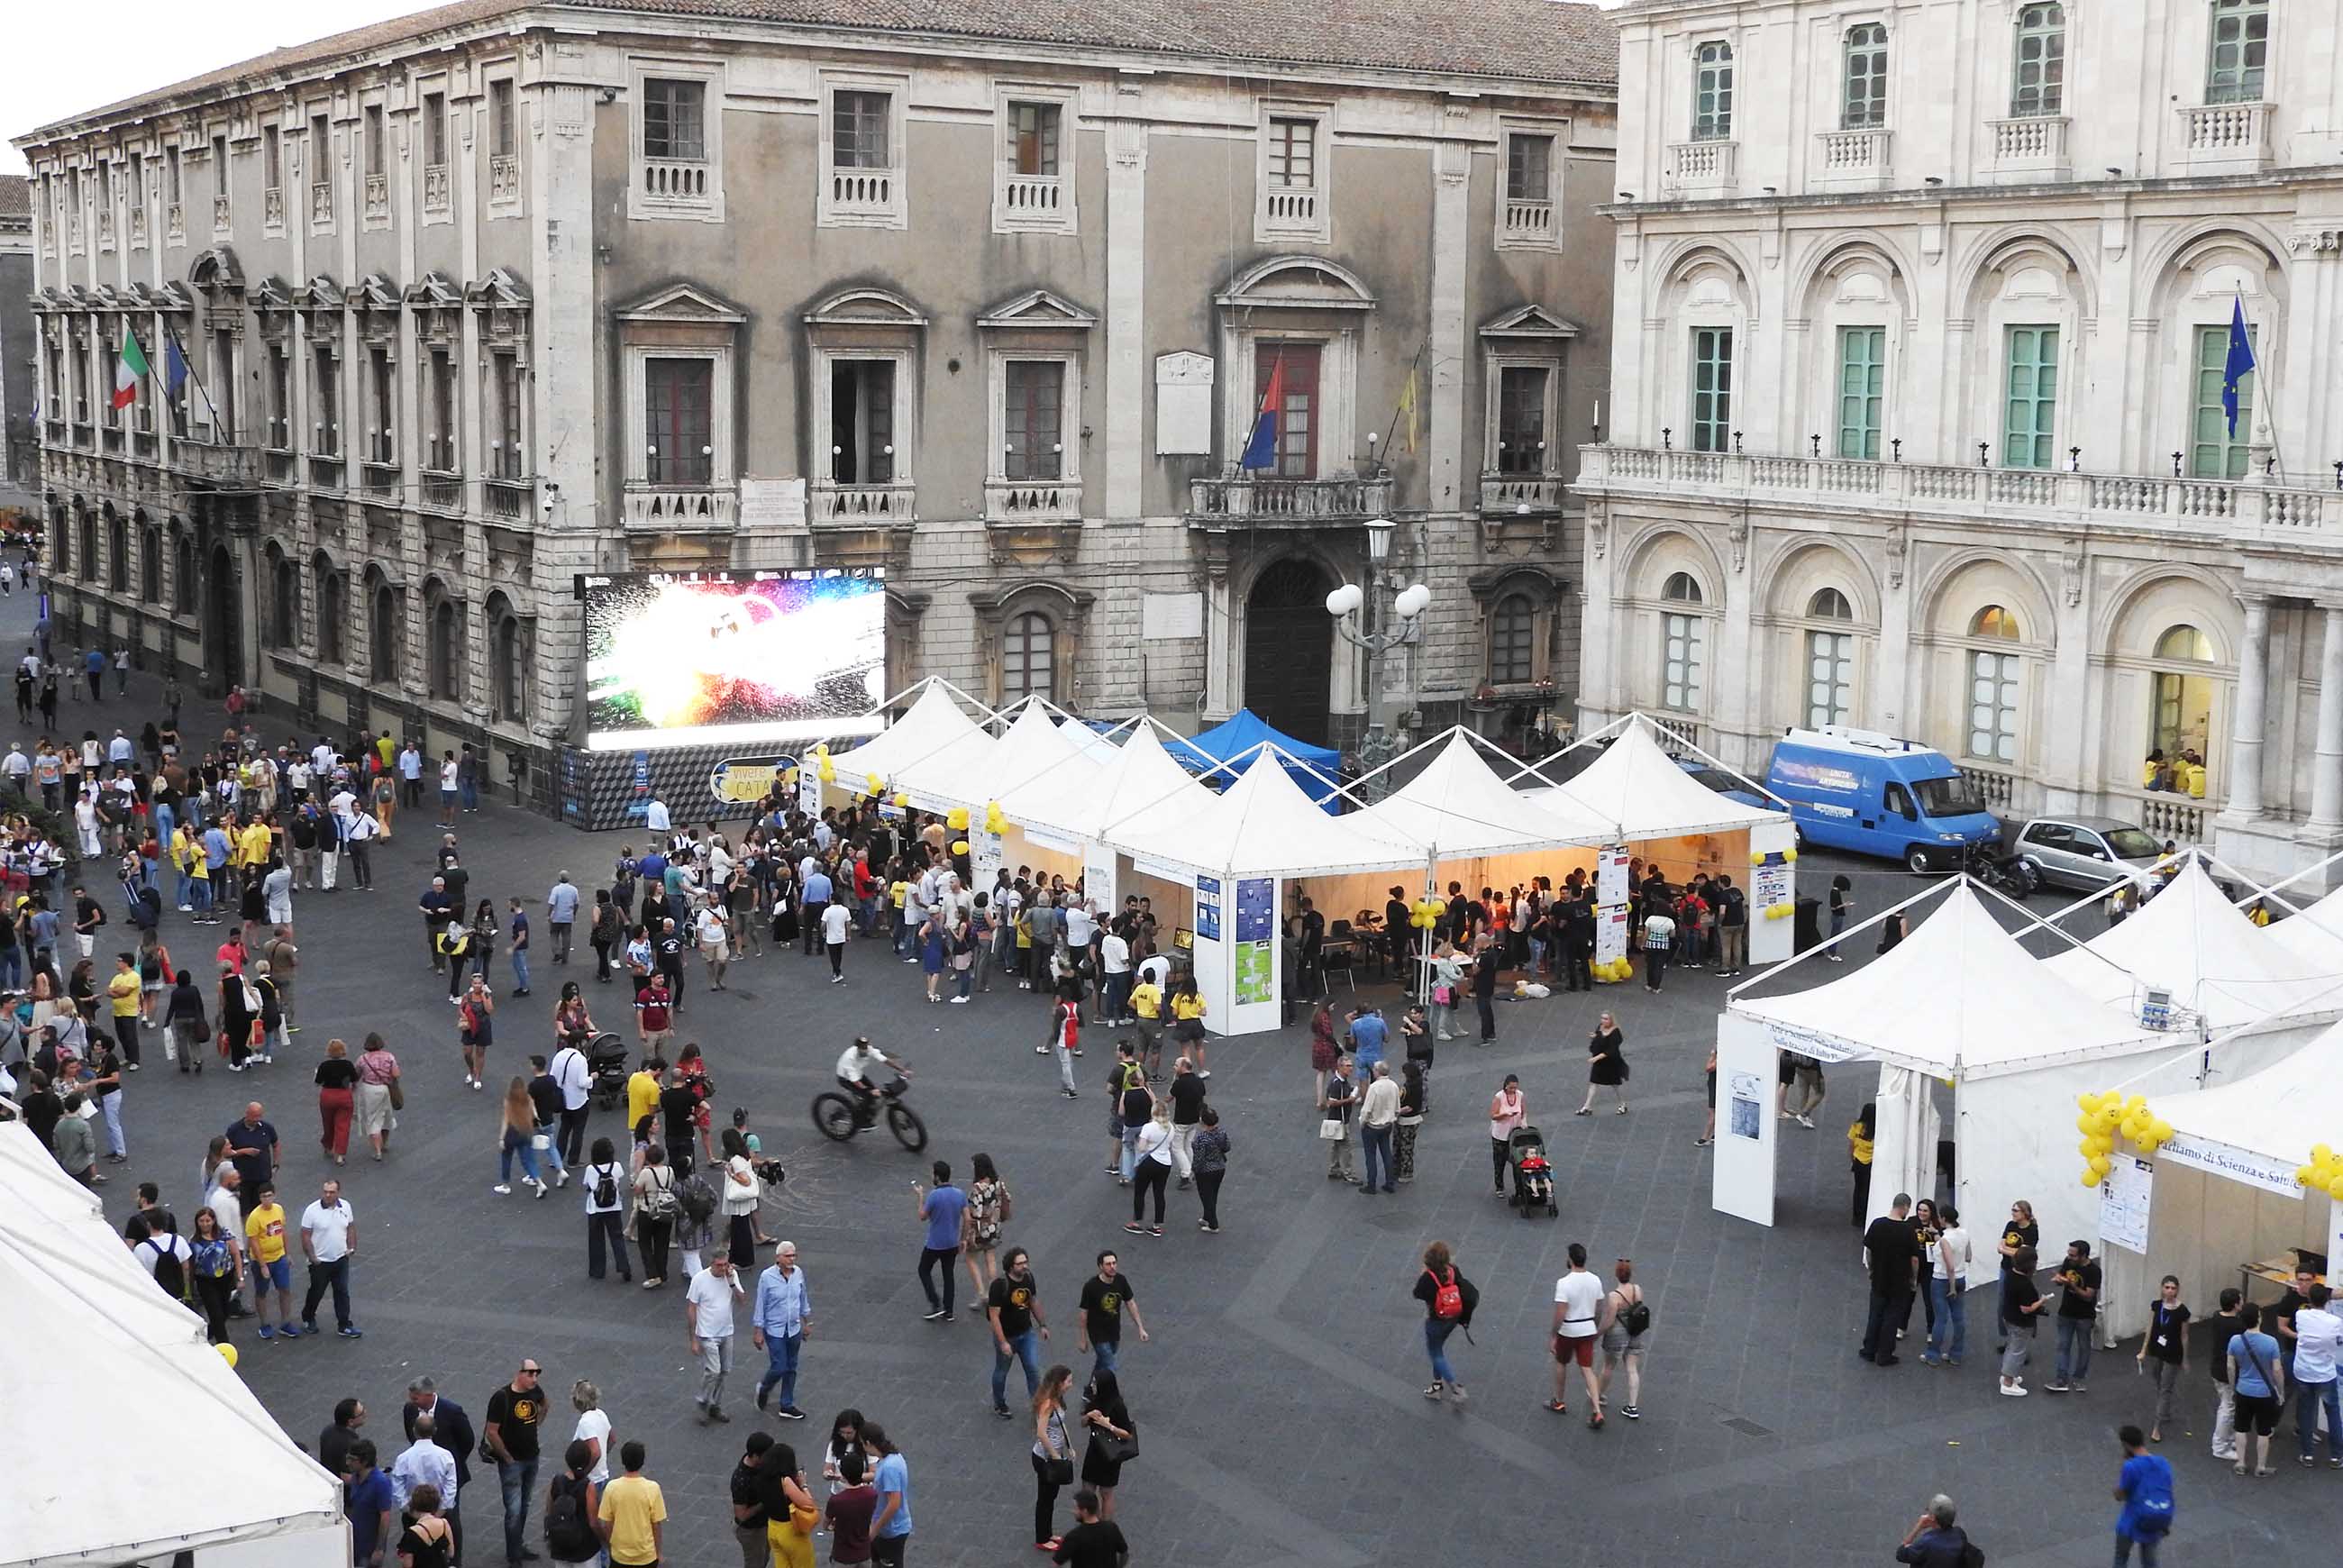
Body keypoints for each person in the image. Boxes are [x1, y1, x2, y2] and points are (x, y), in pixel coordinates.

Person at [485, 1359, 548, 1567]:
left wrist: (535, 1424)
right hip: (512, 1462)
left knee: (525, 1504)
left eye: (536, 1374)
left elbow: (545, 1404)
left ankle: (518, 1545)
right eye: (530, 1374)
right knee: (513, 1509)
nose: (534, 1378)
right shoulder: (502, 1397)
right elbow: (491, 1432)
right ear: (519, 1373)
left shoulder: (534, 1391)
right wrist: (507, 1457)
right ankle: (514, 1555)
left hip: (532, 1457)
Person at [752, 1241, 813, 1421]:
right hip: (775, 1329)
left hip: (793, 1328)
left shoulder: (798, 1273)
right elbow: (760, 1304)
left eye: (794, 1255)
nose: (792, 1259)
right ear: (778, 1258)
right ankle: (764, 1387)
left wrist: (807, 1322)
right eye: (788, 1256)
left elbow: (803, 1298)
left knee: (791, 1367)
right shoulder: (767, 1277)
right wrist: (758, 1330)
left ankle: (786, 1404)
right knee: (779, 1366)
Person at [1412, 1239, 1478, 1404]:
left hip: (1436, 1320)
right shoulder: (1453, 1270)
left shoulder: (1428, 1277)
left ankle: (1456, 1387)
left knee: (1435, 1354)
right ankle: (1436, 1385)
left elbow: (1417, 1294)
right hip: (1453, 1317)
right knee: (1438, 1349)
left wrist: (1423, 1275)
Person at [989, 1245, 1050, 1418]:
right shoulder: (999, 1286)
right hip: (1007, 1336)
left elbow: (1033, 1302)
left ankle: (1037, 1406)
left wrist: (1043, 1325)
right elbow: (994, 1317)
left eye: (1025, 1262)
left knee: (1033, 1369)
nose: (1024, 1266)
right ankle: (999, 1404)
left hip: (1026, 1333)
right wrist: (1003, 1342)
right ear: (1010, 1266)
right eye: (1020, 1263)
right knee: (1001, 1371)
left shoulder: (1028, 1278)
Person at [1550, 1241, 1608, 1425]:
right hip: (1587, 1329)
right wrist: (1595, 1327)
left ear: (1570, 1260)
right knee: (1587, 1368)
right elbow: (1600, 1307)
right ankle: (1597, 1410)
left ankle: (1559, 1401)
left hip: (1568, 1330)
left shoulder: (1564, 1283)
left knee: (1561, 1363)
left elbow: (1561, 1311)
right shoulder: (1595, 1280)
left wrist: (1553, 1334)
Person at [1860, 1192, 1920, 1367]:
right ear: (1905, 1207)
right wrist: (1913, 1279)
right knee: (1891, 1317)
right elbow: (1914, 1259)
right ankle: (1884, 1354)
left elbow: (1868, 1250)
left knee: (1875, 1314)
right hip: (1899, 1281)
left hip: (1879, 1278)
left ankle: (1869, 1350)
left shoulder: (1877, 1224)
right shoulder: (1908, 1230)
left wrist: (1871, 1269)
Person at [297, 1177, 361, 1338]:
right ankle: (308, 1316)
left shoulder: (345, 1206)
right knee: (317, 1291)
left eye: (332, 1192)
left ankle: (344, 1324)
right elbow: (305, 1235)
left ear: (338, 1193)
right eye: (325, 1192)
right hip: (320, 1261)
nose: (328, 1195)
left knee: (342, 1291)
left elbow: (351, 1227)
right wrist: (312, 1257)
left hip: (340, 1258)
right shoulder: (312, 1211)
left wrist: (351, 1247)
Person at [2229, 1300, 2286, 1475]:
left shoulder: (2235, 1341)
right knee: (2263, 1431)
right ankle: (2261, 1467)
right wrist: (2281, 1391)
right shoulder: (2271, 1343)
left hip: (2243, 1389)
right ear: (2259, 1318)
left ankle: (2240, 1462)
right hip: (2264, 1393)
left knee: (2240, 1428)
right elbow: (2277, 1370)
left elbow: (2230, 1367)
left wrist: (2233, 1388)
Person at [687, 1253, 743, 1423]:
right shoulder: (699, 1280)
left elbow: (742, 1300)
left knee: (724, 1371)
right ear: (711, 1264)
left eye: (726, 1264)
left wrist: (732, 1282)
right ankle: (703, 1401)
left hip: (726, 1331)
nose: (723, 1268)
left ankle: (715, 1405)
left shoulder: (731, 1276)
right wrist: (693, 1339)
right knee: (713, 1371)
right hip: (707, 1333)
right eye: (719, 1265)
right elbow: (692, 1307)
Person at [2291, 1282, 2342, 1468]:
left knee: (2306, 1413)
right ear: (2327, 1300)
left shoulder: (2301, 1315)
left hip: (2304, 1372)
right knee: (2333, 1413)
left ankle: (2307, 1455)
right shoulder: (2335, 1322)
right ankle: (2336, 1456)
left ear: (2309, 1299)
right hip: (2326, 1374)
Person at [2134, 1274, 2191, 1443]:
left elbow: (2185, 1336)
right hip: (2156, 1349)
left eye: (2173, 1288)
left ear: (2178, 1290)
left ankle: (2156, 1427)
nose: (2170, 1291)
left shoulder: (2182, 1311)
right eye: (2167, 1287)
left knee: (2165, 1389)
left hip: (2173, 1353)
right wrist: (2143, 1350)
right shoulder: (2156, 1306)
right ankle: (2164, 1411)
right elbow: (2150, 1327)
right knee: (2159, 1382)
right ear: (2161, 1288)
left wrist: (2185, 1359)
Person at [1075, 1250, 1150, 1376]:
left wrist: (1141, 1328)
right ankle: (1110, 1394)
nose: (1112, 1267)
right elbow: (1083, 1313)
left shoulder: (1121, 1280)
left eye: (1114, 1263)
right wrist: (1082, 1338)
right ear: (1100, 1266)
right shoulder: (1091, 1286)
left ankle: (1090, 1391)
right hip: (1097, 1333)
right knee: (1111, 1365)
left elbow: (1130, 1303)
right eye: (1108, 1264)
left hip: (1114, 1331)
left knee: (1102, 1363)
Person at [2112, 1424, 2177, 1565]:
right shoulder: (2163, 1462)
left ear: (2125, 1445)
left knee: (2121, 1558)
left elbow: (2119, 1495)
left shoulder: (2131, 1467)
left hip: (2131, 1520)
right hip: (2155, 1517)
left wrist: (2123, 1467)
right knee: (2149, 1562)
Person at [596, 1440, 666, 1568]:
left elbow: (608, 1523)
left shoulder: (612, 1487)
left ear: (623, 1461)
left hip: (620, 1556)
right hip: (646, 1556)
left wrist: (611, 1547)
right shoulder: (652, 1488)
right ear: (642, 1462)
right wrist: (658, 1552)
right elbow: (656, 1525)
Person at [1030, 1363, 1077, 1550]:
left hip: (1054, 1456)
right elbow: (1041, 1433)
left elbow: (1061, 1424)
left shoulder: (1058, 1399)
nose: (1071, 1384)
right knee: (1045, 1498)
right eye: (1068, 1381)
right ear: (1059, 1383)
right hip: (1045, 1458)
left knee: (1051, 1496)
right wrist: (1056, 1455)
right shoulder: (1048, 1404)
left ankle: (1047, 1534)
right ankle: (1042, 1538)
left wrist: (1069, 1445)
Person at [913, 1159, 967, 1322]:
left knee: (923, 1270)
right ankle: (949, 1311)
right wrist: (963, 1239)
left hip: (935, 1244)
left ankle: (935, 1303)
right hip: (952, 1243)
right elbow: (968, 1218)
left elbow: (922, 1216)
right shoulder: (960, 1194)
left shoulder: (934, 1195)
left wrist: (921, 1197)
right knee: (948, 1274)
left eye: (932, 1174)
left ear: (937, 1176)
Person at [2047, 1238, 2101, 1392]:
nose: (2069, 1258)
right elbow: (2062, 1277)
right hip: (2066, 1312)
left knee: (2084, 1348)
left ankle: (2079, 1378)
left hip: (2084, 1316)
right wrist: (2059, 1280)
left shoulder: (2094, 1271)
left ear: (2083, 1256)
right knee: (2063, 1346)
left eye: (2073, 1255)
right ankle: (2061, 1379)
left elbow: (2088, 1295)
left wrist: (2071, 1285)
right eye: (2069, 1254)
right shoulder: (2068, 1262)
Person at [1920, 1204, 1972, 1368]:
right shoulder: (1964, 1234)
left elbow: (1949, 1266)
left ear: (1943, 1218)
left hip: (1943, 1280)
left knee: (1940, 1319)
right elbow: (1969, 1256)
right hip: (1961, 1277)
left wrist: (1951, 1287)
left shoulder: (1945, 1240)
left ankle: (1933, 1355)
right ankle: (1956, 1354)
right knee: (1958, 1318)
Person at [1599, 1258, 1650, 1419]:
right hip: (1635, 1331)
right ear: (1630, 1274)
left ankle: (1599, 1395)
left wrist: (1598, 1333)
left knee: (1608, 1366)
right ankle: (1632, 1406)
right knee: (1632, 1368)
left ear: (1617, 1275)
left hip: (1617, 1333)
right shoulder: (1637, 1289)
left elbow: (1609, 1320)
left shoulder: (1614, 1296)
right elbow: (1639, 1305)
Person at [2202, 1287, 2246, 1462]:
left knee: (2229, 1405)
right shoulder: (2237, 1325)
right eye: (2241, 1300)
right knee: (2227, 1408)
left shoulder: (2217, 1317)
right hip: (2228, 1372)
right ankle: (2220, 1446)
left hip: (2217, 1368)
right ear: (2236, 1304)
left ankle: (2228, 1439)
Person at [544, 1440, 603, 1567]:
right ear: (587, 1461)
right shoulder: (588, 1486)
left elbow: (549, 1510)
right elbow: (593, 1522)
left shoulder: (556, 1480)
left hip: (560, 1545)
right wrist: (603, 1539)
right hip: (584, 1548)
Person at [962, 1152, 1012, 1299]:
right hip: (994, 1227)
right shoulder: (998, 1183)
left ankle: (981, 1292)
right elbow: (1007, 1198)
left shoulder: (977, 1188)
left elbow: (975, 1212)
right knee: (990, 1257)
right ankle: (992, 1291)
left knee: (970, 1258)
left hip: (980, 1230)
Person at [2000, 1245, 2047, 1396]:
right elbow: (2026, 1309)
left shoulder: (2010, 1274)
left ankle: (2008, 1375)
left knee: (2011, 1347)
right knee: (2017, 1351)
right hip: (2021, 1322)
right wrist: (2042, 1301)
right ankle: (2008, 1382)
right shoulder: (2025, 1284)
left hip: (2009, 1316)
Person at [346, 1440, 399, 1568]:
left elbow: (385, 1517)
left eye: (352, 1459)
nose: (348, 1463)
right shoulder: (355, 1477)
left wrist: (379, 1549)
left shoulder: (380, 1483)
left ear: (364, 1462)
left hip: (369, 1548)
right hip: (355, 1542)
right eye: (348, 1458)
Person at [864, 1423, 911, 1568]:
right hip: (885, 1528)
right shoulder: (892, 1457)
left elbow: (894, 1503)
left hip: (890, 1531)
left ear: (867, 1443)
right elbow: (880, 1478)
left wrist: (875, 1530)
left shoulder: (889, 1467)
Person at [1125, 1102, 1174, 1235]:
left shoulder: (1148, 1127)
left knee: (1140, 1192)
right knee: (1159, 1193)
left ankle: (1137, 1222)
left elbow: (1141, 1147)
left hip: (1149, 1161)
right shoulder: (1170, 1127)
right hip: (1165, 1163)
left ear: (1153, 1112)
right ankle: (1157, 1226)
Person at [1051, 1489, 1128, 1568]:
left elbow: (1056, 1563)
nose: (1073, 1511)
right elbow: (1124, 1553)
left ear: (1085, 1511)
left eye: (1076, 1508)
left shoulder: (1074, 1537)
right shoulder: (1112, 1528)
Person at [1892, 1496, 1971, 1568]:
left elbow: (1900, 1553)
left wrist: (1919, 1526)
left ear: (1932, 1518)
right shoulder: (1960, 1534)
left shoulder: (1926, 1543)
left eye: (1928, 1511)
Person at [1577, 1013, 1627, 1116]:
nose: (1603, 1021)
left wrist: (1595, 1058)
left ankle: (1623, 1104)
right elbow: (1598, 1038)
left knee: (1615, 1085)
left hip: (1611, 1063)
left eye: (1606, 1019)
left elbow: (1611, 1050)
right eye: (1602, 1018)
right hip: (1599, 1062)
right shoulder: (1600, 1027)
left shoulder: (1615, 1032)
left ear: (1611, 1020)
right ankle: (1587, 1106)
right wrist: (1594, 1037)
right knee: (1593, 1083)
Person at [1488, 1074, 1526, 1199]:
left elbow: (1523, 1111)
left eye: (1515, 1088)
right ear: (1506, 1086)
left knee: (1517, 1162)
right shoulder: (1499, 1097)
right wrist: (1504, 1114)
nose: (1513, 1090)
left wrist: (1524, 1120)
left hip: (1515, 1134)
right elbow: (1493, 1115)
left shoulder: (1520, 1095)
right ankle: (1499, 1187)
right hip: (1500, 1135)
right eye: (1511, 1088)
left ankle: (1519, 1188)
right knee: (1499, 1162)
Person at [1848, 1101, 1877, 1227]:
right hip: (1871, 1162)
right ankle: (1867, 1214)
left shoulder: (1856, 1126)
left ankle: (1857, 1216)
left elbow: (1851, 1144)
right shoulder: (1877, 1129)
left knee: (1858, 1188)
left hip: (1858, 1160)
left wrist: (1852, 1159)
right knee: (1868, 1190)